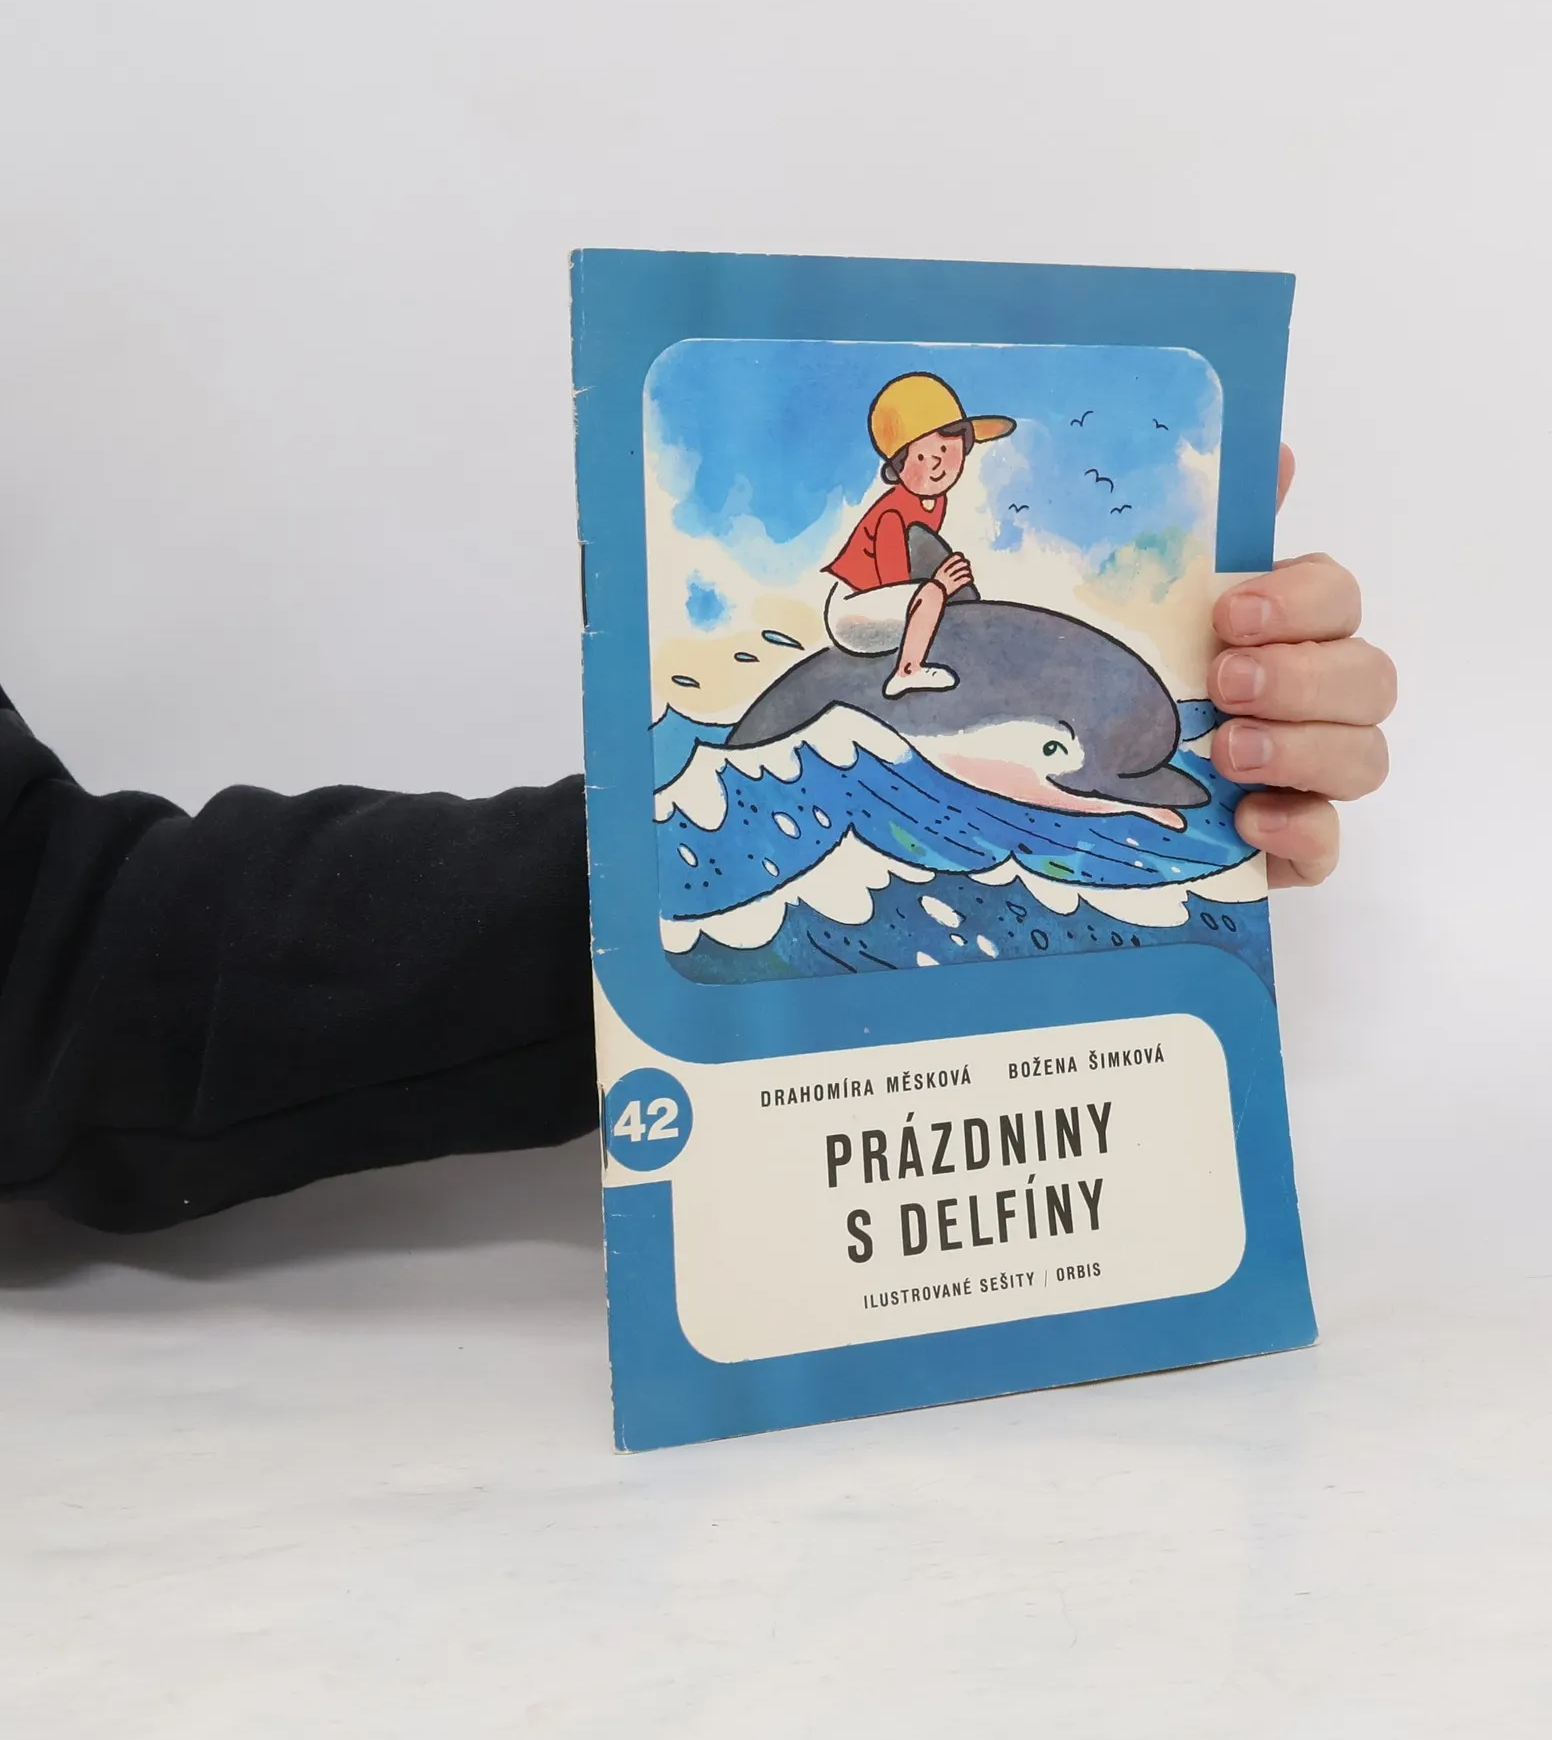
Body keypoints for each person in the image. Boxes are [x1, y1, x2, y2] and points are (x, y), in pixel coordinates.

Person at [0, 447, 1394, 1233]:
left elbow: (55, 945)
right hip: (869, 647)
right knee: (906, 633)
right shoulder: (888, 529)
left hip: (923, 720)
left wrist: (702, 881)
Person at [821, 372, 1013, 696]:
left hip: (876, 601)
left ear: (965, 443)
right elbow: (894, 582)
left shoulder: (935, 500)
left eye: (944, 449)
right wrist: (940, 586)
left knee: (935, 589)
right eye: (920, 457)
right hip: (853, 610)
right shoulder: (892, 514)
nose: (935, 465)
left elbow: (921, 551)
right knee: (932, 591)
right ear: (899, 469)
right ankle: (907, 671)